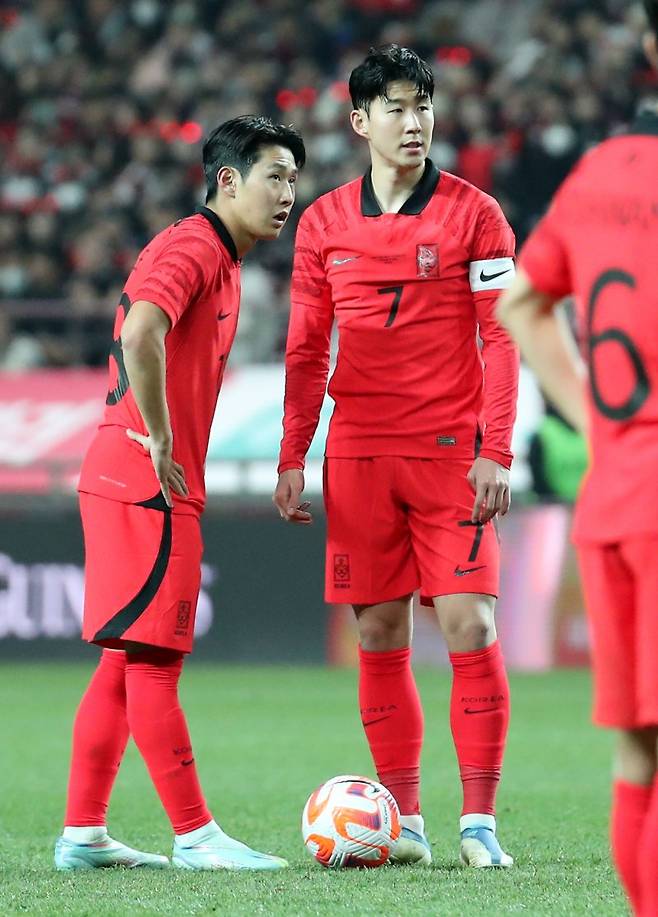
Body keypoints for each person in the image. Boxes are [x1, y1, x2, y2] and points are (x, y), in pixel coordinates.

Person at [273, 45, 519, 868]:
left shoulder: (476, 214)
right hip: (360, 453)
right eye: (396, 108)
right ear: (360, 122)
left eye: (423, 106)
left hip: (453, 453)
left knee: (469, 619)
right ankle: (405, 819)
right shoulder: (323, 222)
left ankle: (479, 820)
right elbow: (306, 349)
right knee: (378, 632)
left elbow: (502, 333)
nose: (414, 122)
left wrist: (497, 448)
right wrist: (292, 453)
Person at [55, 116, 305, 872]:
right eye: (275, 177)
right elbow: (142, 333)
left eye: (294, 178)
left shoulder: (219, 258)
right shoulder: (195, 246)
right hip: (147, 479)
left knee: (123, 662)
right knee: (155, 662)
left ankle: (84, 834)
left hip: (124, 475)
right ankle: (196, 834)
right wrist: (162, 436)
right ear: (227, 180)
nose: (288, 193)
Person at [498, 3, 658, 911]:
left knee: (639, 748)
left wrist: (599, 421)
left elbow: (520, 303)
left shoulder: (599, 172)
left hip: (617, 493)